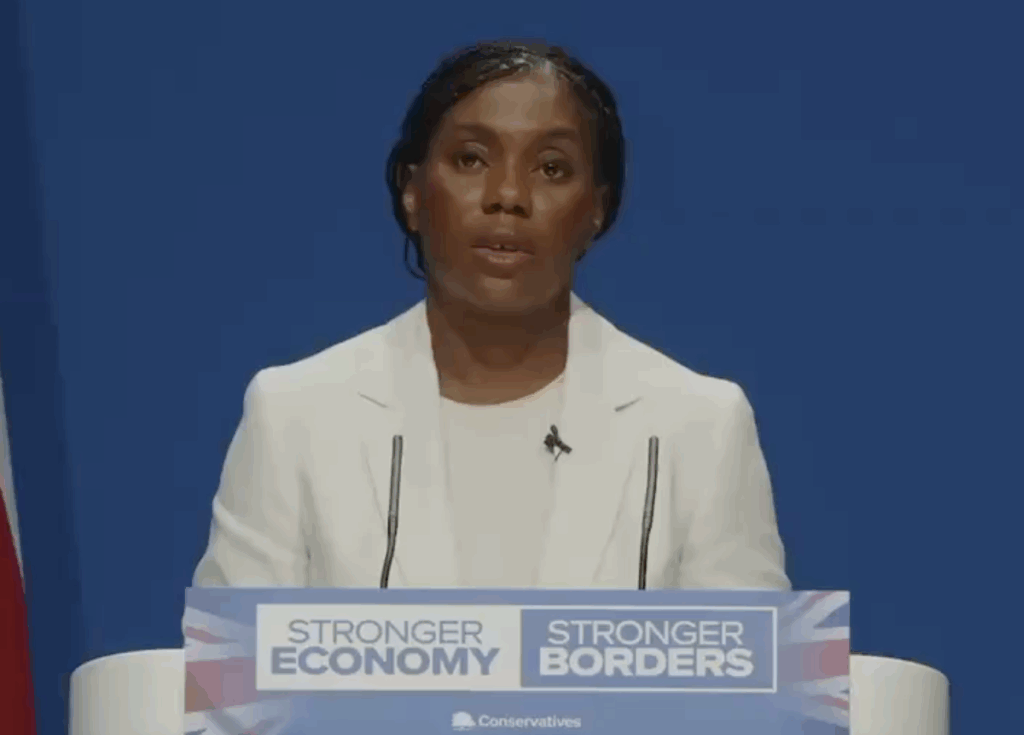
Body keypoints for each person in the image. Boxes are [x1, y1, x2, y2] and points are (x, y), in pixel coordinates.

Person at [191, 41, 790, 591]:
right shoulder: (294, 415)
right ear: (412, 190)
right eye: (471, 159)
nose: (508, 195)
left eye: (551, 168)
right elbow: (231, 669)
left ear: (596, 210)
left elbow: (754, 669)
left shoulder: (699, 427)